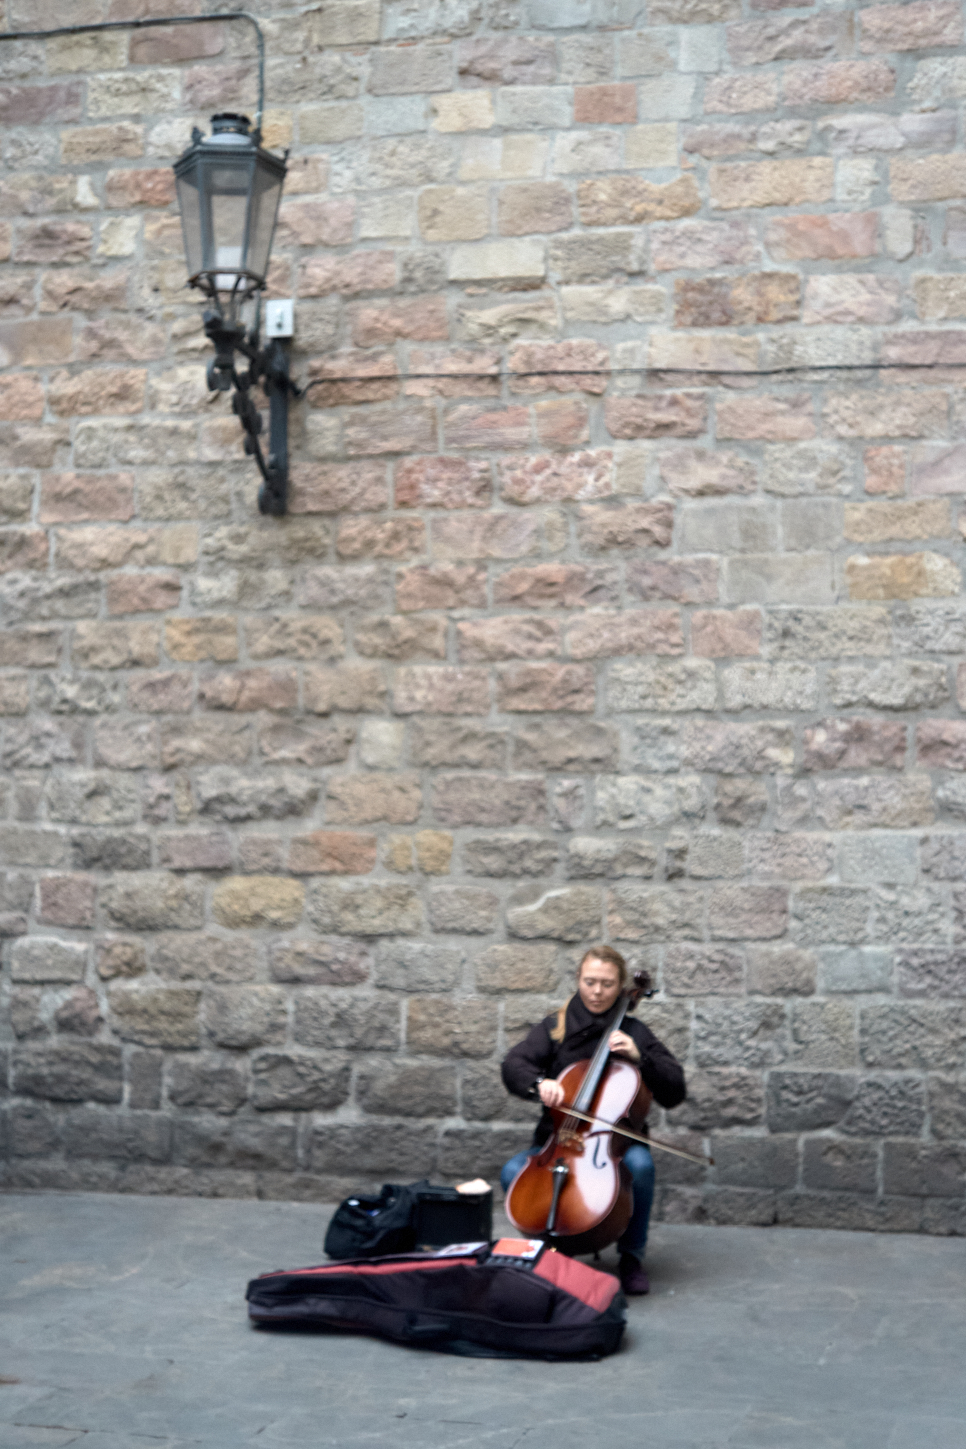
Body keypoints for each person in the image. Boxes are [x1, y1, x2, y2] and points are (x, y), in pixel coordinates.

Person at [500, 944, 686, 1296]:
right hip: (558, 1141)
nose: (597, 991)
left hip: (613, 1145)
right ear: (578, 980)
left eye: (607, 984)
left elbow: (675, 1089)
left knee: (641, 1167)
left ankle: (631, 1257)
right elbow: (514, 1064)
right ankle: (550, 1251)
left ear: (620, 986)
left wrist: (640, 1056)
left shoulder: (634, 1032)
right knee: (512, 1172)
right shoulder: (555, 1027)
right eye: (590, 982)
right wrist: (540, 1084)